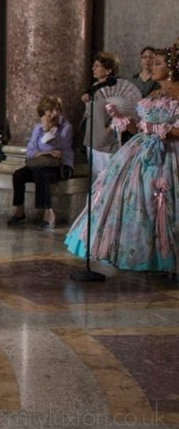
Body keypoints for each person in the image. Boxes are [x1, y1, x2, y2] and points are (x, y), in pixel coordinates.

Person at [65, 42, 179, 274]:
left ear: (174, 68)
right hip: (140, 152)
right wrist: (124, 120)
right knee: (128, 196)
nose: (152, 66)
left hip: (168, 156)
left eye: (158, 63)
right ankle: (136, 253)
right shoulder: (155, 93)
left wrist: (155, 128)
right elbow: (140, 128)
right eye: (153, 62)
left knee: (159, 202)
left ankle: (165, 257)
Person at [7, 96, 74, 230]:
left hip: (61, 166)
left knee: (40, 174)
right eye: (48, 111)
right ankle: (19, 211)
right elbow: (30, 152)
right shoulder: (38, 128)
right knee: (18, 174)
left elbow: (56, 147)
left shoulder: (66, 127)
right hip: (41, 163)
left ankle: (49, 214)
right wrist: (44, 151)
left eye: (54, 110)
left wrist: (48, 131)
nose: (51, 114)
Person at [81, 51, 140, 181]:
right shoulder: (95, 87)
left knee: (106, 179)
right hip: (92, 138)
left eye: (97, 66)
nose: (93, 69)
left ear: (108, 70)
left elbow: (121, 116)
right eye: (94, 66)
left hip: (107, 142)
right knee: (94, 178)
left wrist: (109, 130)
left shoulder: (116, 89)